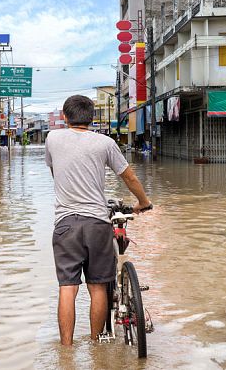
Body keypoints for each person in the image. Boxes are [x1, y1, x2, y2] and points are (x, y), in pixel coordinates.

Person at [45, 95, 152, 346]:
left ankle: (66, 351)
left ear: (65, 116)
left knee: (67, 288)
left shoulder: (52, 138)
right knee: (98, 287)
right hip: (96, 223)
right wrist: (143, 202)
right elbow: (130, 178)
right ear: (92, 118)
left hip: (65, 225)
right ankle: (97, 345)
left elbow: (54, 172)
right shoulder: (105, 143)